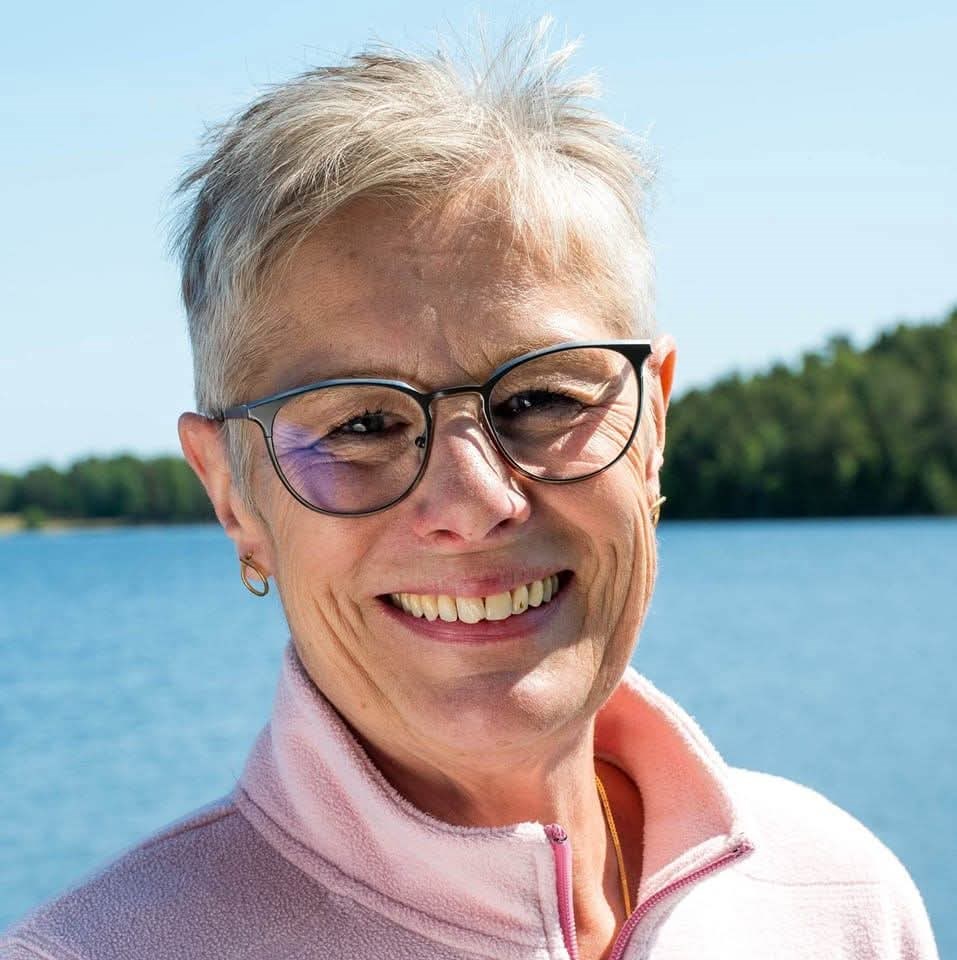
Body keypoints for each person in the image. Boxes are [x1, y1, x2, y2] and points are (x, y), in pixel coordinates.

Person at [1, 19, 939, 960]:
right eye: (361, 424)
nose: (473, 500)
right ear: (233, 496)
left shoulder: (835, 900)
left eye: (539, 399)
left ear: (651, 426)